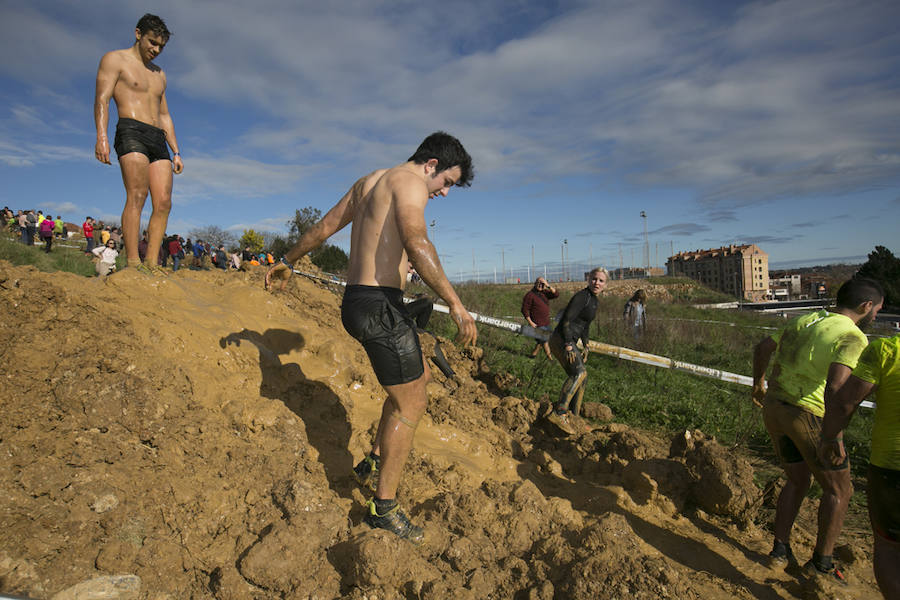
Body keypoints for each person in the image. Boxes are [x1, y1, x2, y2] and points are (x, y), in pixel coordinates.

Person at [265, 131, 477, 543]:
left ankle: (375, 460)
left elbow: (325, 226)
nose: (445, 192)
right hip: (379, 304)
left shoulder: (369, 181)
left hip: (360, 301)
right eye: (447, 182)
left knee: (415, 383)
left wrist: (287, 260)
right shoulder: (411, 183)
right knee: (412, 400)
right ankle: (384, 509)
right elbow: (417, 242)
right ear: (431, 164)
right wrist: (454, 302)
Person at [752, 277, 884, 581]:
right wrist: (833, 435)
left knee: (797, 480)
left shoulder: (807, 319)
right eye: (877, 310)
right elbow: (836, 388)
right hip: (807, 415)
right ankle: (822, 564)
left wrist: (758, 383)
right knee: (840, 489)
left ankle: (779, 551)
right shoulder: (853, 337)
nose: (876, 315)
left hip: (775, 409)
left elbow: (762, 348)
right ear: (866, 306)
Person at [94, 13, 183, 276]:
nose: (156, 50)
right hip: (130, 129)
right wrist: (101, 136)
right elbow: (102, 99)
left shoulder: (159, 74)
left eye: (161, 46)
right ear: (138, 34)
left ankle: (152, 264)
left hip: (158, 137)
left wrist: (176, 151)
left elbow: (165, 114)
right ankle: (133, 263)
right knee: (137, 195)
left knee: (164, 202)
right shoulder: (114, 59)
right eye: (152, 42)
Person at [819, 332, 900, 599]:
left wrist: (831, 436)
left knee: (889, 547)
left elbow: (845, 401)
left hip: (891, 468)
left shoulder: (888, 349)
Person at [545, 268, 608, 435]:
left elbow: (585, 325)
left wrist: (586, 344)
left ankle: (574, 418)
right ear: (588, 279)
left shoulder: (593, 301)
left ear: (605, 284)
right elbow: (566, 319)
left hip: (570, 340)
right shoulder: (582, 296)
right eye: (594, 279)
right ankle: (560, 413)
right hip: (561, 339)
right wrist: (567, 344)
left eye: (601, 281)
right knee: (578, 374)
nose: (597, 283)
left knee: (583, 378)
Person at [521, 277, 559, 359]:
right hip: (537, 323)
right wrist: (530, 322)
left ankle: (533, 355)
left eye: (542, 284)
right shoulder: (529, 295)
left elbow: (556, 294)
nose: (540, 285)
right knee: (545, 340)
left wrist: (548, 285)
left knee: (541, 340)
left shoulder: (545, 293)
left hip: (546, 322)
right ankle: (550, 358)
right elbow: (524, 310)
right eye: (538, 283)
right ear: (535, 283)